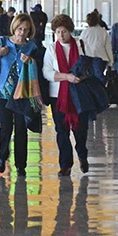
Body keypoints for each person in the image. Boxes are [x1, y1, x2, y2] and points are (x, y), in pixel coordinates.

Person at [0, 13, 45, 177]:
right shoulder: (2, 42)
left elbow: (40, 68)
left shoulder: (32, 47)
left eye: (25, 30)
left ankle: (21, 165)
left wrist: (30, 61)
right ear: (14, 27)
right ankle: (2, 157)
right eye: (19, 29)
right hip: (2, 94)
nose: (21, 33)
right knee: (6, 126)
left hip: (22, 93)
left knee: (21, 129)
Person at [43, 14, 90, 177]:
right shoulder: (51, 49)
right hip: (58, 96)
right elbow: (47, 72)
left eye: (63, 31)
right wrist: (66, 76)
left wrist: (81, 76)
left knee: (80, 129)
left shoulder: (80, 45)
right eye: (57, 32)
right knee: (61, 131)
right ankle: (65, 164)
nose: (61, 35)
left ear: (70, 31)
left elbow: (89, 65)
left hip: (79, 94)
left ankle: (82, 155)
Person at [79, 10, 113, 79]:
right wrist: (111, 62)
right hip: (102, 58)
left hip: (88, 58)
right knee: (99, 77)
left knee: (90, 77)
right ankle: (101, 88)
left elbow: (80, 46)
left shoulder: (84, 32)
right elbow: (108, 48)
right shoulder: (103, 32)